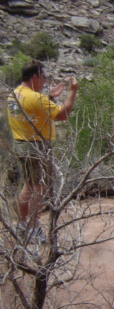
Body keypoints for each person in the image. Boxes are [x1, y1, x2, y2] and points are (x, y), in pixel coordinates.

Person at [7, 60, 79, 242]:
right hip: (37, 146)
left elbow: (34, 111)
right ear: (34, 77)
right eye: (44, 77)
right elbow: (63, 114)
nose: (45, 81)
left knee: (28, 185)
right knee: (40, 188)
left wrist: (51, 98)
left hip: (21, 145)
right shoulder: (36, 98)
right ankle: (34, 228)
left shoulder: (14, 95)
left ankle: (22, 225)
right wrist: (73, 92)